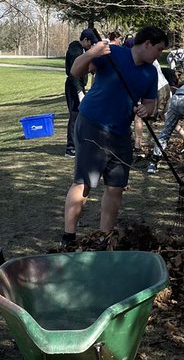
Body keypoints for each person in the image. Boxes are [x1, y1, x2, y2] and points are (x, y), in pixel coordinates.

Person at [62, 25, 169, 249]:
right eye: (158, 49)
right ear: (147, 43)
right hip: (93, 124)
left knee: (116, 186)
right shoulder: (112, 54)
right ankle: (69, 237)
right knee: (85, 182)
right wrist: (92, 53)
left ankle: (104, 237)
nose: (159, 55)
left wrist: (146, 111)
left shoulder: (150, 72)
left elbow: (150, 104)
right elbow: (75, 71)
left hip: (120, 133)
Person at [63, 28, 99, 158]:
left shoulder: (82, 50)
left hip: (79, 85)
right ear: (85, 40)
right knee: (74, 116)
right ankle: (70, 148)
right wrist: (79, 92)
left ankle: (79, 143)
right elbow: (73, 75)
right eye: (91, 43)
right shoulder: (75, 51)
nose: (92, 46)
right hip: (73, 87)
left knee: (81, 116)